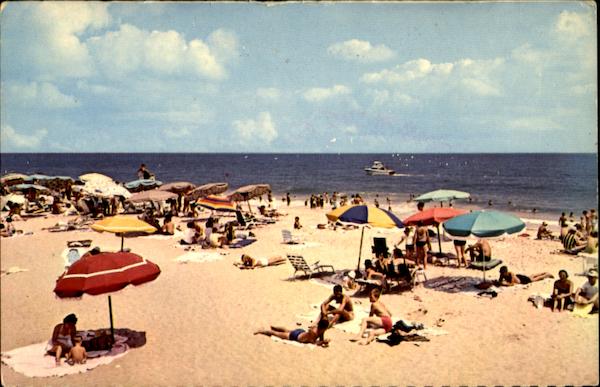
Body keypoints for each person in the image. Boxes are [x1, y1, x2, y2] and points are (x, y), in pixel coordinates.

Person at [254, 318, 330, 347]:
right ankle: (261, 331)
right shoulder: (313, 332)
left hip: (301, 332)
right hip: (296, 336)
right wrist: (322, 342)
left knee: (286, 330)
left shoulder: (319, 330)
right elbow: (313, 342)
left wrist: (323, 341)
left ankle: (275, 327)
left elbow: (320, 339)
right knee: (276, 334)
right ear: (324, 327)